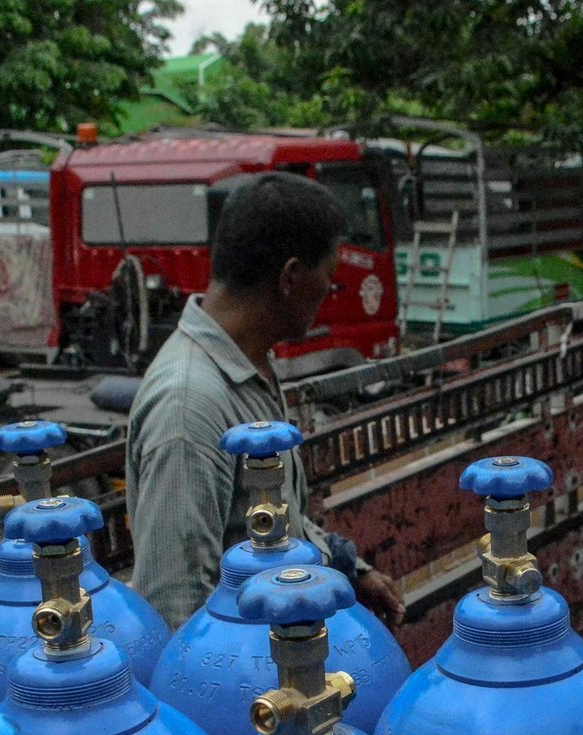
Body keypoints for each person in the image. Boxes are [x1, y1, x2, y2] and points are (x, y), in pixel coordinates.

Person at [126, 171, 405, 630]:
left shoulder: (250, 366)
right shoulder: (188, 407)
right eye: (329, 275)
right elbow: (176, 605)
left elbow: (279, 519)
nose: (330, 291)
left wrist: (349, 569)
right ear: (291, 277)